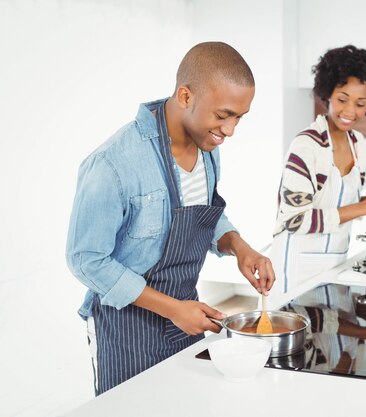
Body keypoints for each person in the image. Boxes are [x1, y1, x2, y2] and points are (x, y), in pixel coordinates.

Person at [66, 42, 275, 395]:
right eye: (222, 115)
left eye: (239, 117)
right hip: (125, 330)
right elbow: (85, 259)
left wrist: (240, 247)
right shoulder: (112, 164)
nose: (230, 130)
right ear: (185, 96)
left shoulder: (207, 150)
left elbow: (203, 215)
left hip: (184, 320)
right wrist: (172, 309)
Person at [271, 45, 366, 293]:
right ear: (328, 94)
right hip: (294, 269)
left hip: (336, 263)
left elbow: (345, 205)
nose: (349, 111)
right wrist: (365, 206)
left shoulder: (357, 144)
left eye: (360, 103)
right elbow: (295, 220)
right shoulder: (306, 146)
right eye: (342, 99)